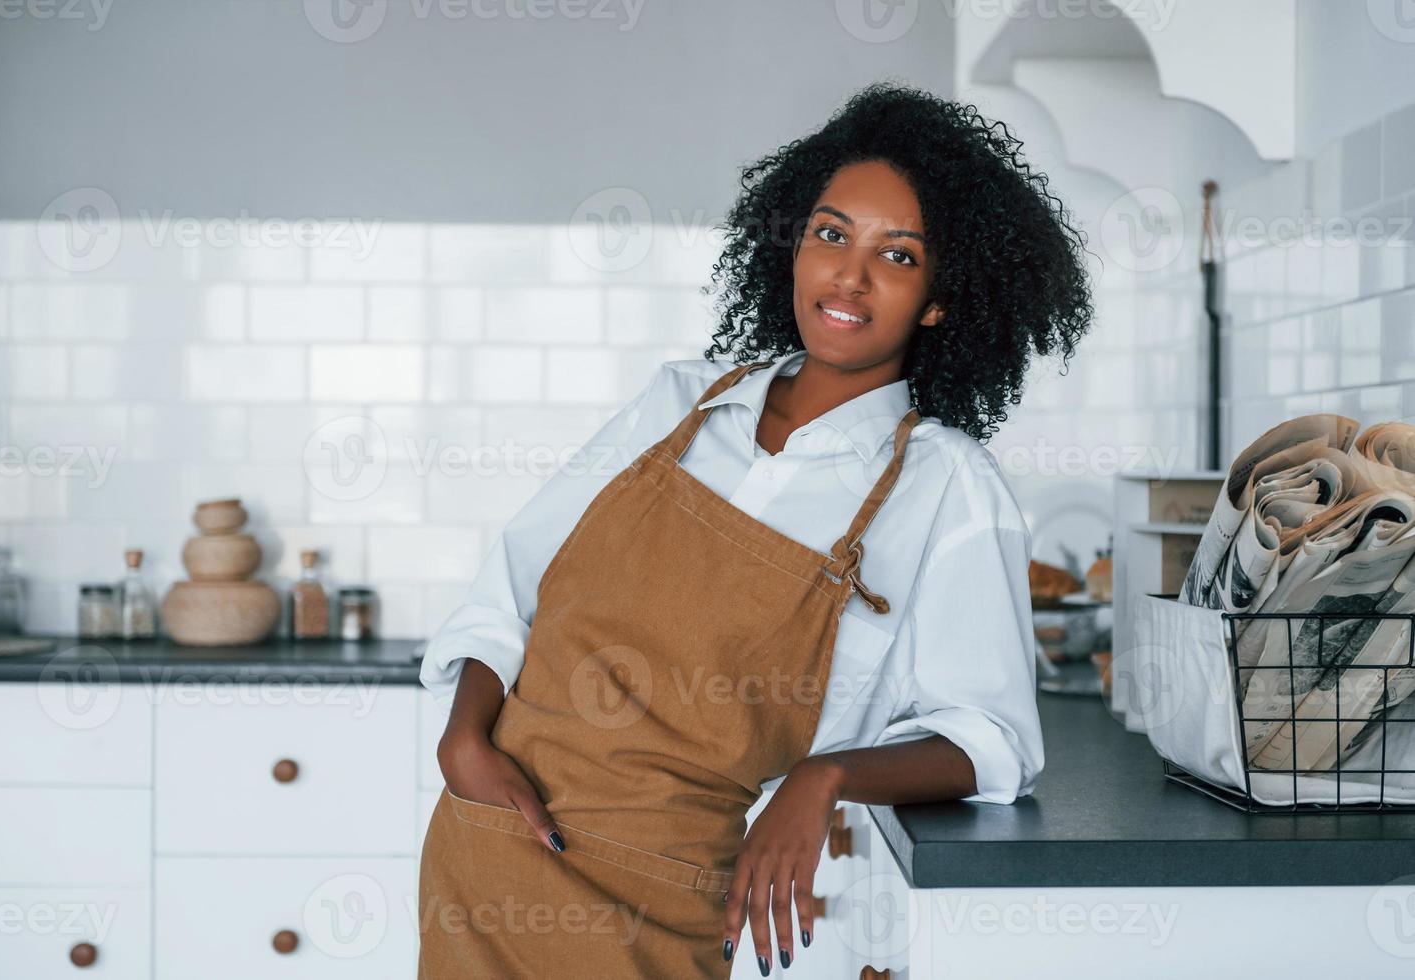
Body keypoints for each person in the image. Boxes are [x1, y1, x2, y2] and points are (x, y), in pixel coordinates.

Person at [417, 80, 1094, 978]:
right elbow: (507, 597)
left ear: (940, 299)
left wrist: (827, 778)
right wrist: (463, 740)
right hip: (486, 853)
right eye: (830, 234)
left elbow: (991, 737)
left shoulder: (944, 486)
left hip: (661, 900)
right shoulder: (676, 405)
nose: (848, 277)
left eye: (897, 257)